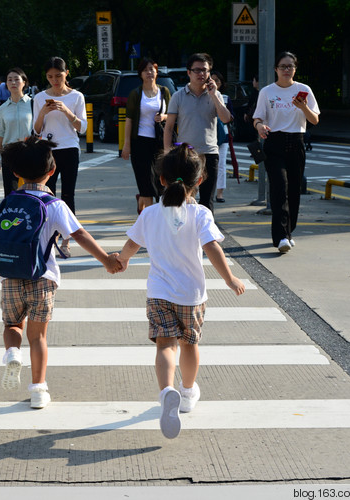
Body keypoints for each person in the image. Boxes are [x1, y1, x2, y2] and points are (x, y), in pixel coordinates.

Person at [0, 136, 121, 409]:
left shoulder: (11, 201)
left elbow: (1, 238)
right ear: (52, 171)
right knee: (38, 337)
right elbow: (78, 234)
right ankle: (38, 390)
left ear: (17, 173)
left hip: (11, 278)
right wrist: (105, 259)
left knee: (12, 326)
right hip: (43, 280)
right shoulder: (54, 205)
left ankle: (11, 352)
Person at [115, 144, 245, 438]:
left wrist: (120, 261)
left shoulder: (149, 214)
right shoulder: (200, 214)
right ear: (199, 181)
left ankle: (166, 393)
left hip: (159, 292)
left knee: (165, 346)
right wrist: (230, 278)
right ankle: (186, 393)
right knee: (189, 344)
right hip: (191, 295)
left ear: (160, 179)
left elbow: (131, 246)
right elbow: (212, 248)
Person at [253, 51, 320, 253]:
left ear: (295, 69)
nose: (286, 70)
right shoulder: (267, 92)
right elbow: (257, 118)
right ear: (276, 69)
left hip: (296, 141)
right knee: (279, 188)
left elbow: (314, 119)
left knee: (294, 191)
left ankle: (289, 231)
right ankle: (281, 236)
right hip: (274, 142)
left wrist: (304, 107)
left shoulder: (303, 90)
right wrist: (260, 127)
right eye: (282, 66)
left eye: (290, 66)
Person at [163, 53, 231, 214]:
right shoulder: (178, 96)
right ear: (189, 73)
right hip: (186, 155)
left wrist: (214, 95)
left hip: (209, 153)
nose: (201, 74)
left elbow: (226, 118)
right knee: (183, 198)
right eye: (197, 70)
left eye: (205, 70)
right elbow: (169, 127)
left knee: (207, 201)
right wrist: (167, 153)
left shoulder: (216, 95)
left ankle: (205, 235)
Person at [33, 56, 87, 257]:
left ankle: (67, 239)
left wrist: (66, 111)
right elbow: (36, 129)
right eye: (50, 76)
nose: (55, 80)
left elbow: (82, 127)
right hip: (48, 149)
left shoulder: (76, 97)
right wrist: (42, 113)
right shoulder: (39, 98)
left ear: (67, 73)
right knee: (48, 194)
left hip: (70, 148)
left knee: (68, 194)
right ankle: (50, 236)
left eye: (58, 75)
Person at [121, 58, 172, 214]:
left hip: (159, 141)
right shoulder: (136, 94)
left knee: (162, 180)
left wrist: (163, 117)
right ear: (141, 74)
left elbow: (172, 115)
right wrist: (127, 144)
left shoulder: (164, 91)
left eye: (152, 69)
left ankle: (159, 214)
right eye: (145, 70)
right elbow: (128, 120)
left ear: (156, 72)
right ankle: (148, 219)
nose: (149, 72)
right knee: (145, 183)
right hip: (140, 142)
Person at [0, 68, 34, 196]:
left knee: (31, 190)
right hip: (9, 152)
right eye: (9, 80)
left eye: (17, 79)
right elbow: (1, 134)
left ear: (24, 82)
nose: (13, 82)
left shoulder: (33, 104)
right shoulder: (3, 108)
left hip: (28, 151)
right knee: (10, 192)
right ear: (6, 84)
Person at [211, 70, 231, 203]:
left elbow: (231, 117)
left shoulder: (225, 98)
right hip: (208, 135)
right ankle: (201, 191)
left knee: (221, 164)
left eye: (217, 80)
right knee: (203, 165)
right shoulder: (202, 96)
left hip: (223, 135)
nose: (214, 83)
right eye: (211, 80)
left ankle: (220, 193)